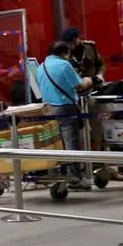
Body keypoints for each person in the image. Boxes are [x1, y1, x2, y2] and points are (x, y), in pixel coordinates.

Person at [38, 41, 93, 188]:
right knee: (71, 143)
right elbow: (79, 86)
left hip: (48, 109)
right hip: (64, 108)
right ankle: (75, 179)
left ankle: (54, 175)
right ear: (64, 53)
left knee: (53, 144)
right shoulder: (64, 65)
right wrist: (88, 80)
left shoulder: (41, 66)